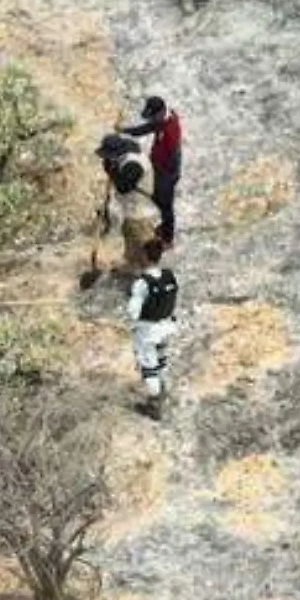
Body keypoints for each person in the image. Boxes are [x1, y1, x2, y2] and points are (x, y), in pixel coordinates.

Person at [118, 96, 183, 247]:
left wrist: (166, 178)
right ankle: (164, 228)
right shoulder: (162, 121)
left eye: (152, 117)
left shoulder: (170, 130)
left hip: (167, 171)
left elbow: (173, 158)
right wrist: (126, 131)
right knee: (157, 197)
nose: (150, 120)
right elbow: (147, 128)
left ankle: (167, 237)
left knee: (165, 204)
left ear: (160, 114)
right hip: (158, 167)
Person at [128, 238, 180, 420]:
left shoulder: (142, 283)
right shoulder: (169, 276)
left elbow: (133, 312)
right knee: (161, 359)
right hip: (167, 326)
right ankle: (162, 388)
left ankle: (154, 404)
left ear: (144, 256)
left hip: (148, 331)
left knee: (148, 366)